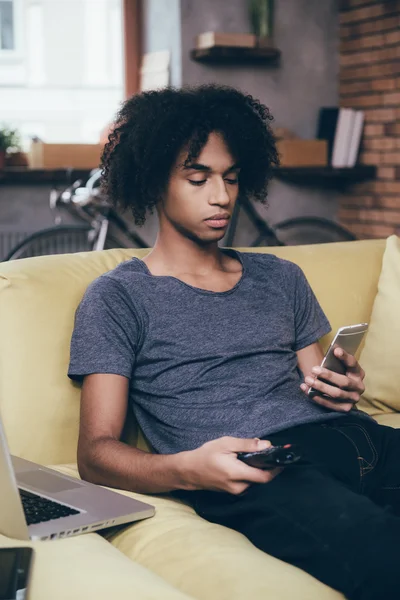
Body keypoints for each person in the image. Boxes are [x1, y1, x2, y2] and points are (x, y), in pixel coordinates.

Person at [68, 84, 400, 600]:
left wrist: (341, 386)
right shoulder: (118, 297)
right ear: (155, 181)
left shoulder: (280, 276)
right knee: (383, 554)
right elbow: (95, 454)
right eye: (197, 178)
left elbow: (316, 383)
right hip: (261, 467)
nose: (222, 197)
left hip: (360, 440)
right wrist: (185, 469)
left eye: (231, 178)